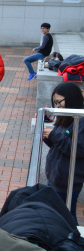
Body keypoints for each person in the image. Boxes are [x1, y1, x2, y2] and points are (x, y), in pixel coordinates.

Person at [43, 82, 84, 224]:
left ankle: (75, 237)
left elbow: (78, 150)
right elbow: (60, 146)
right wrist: (47, 137)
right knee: (61, 216)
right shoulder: (67, 116)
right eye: (55, 102)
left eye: (59, 102)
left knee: (66, 218)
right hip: (56, 177)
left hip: (68, 180)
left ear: (71, 98)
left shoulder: (80, 119)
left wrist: (53, 135)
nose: (57, 106)